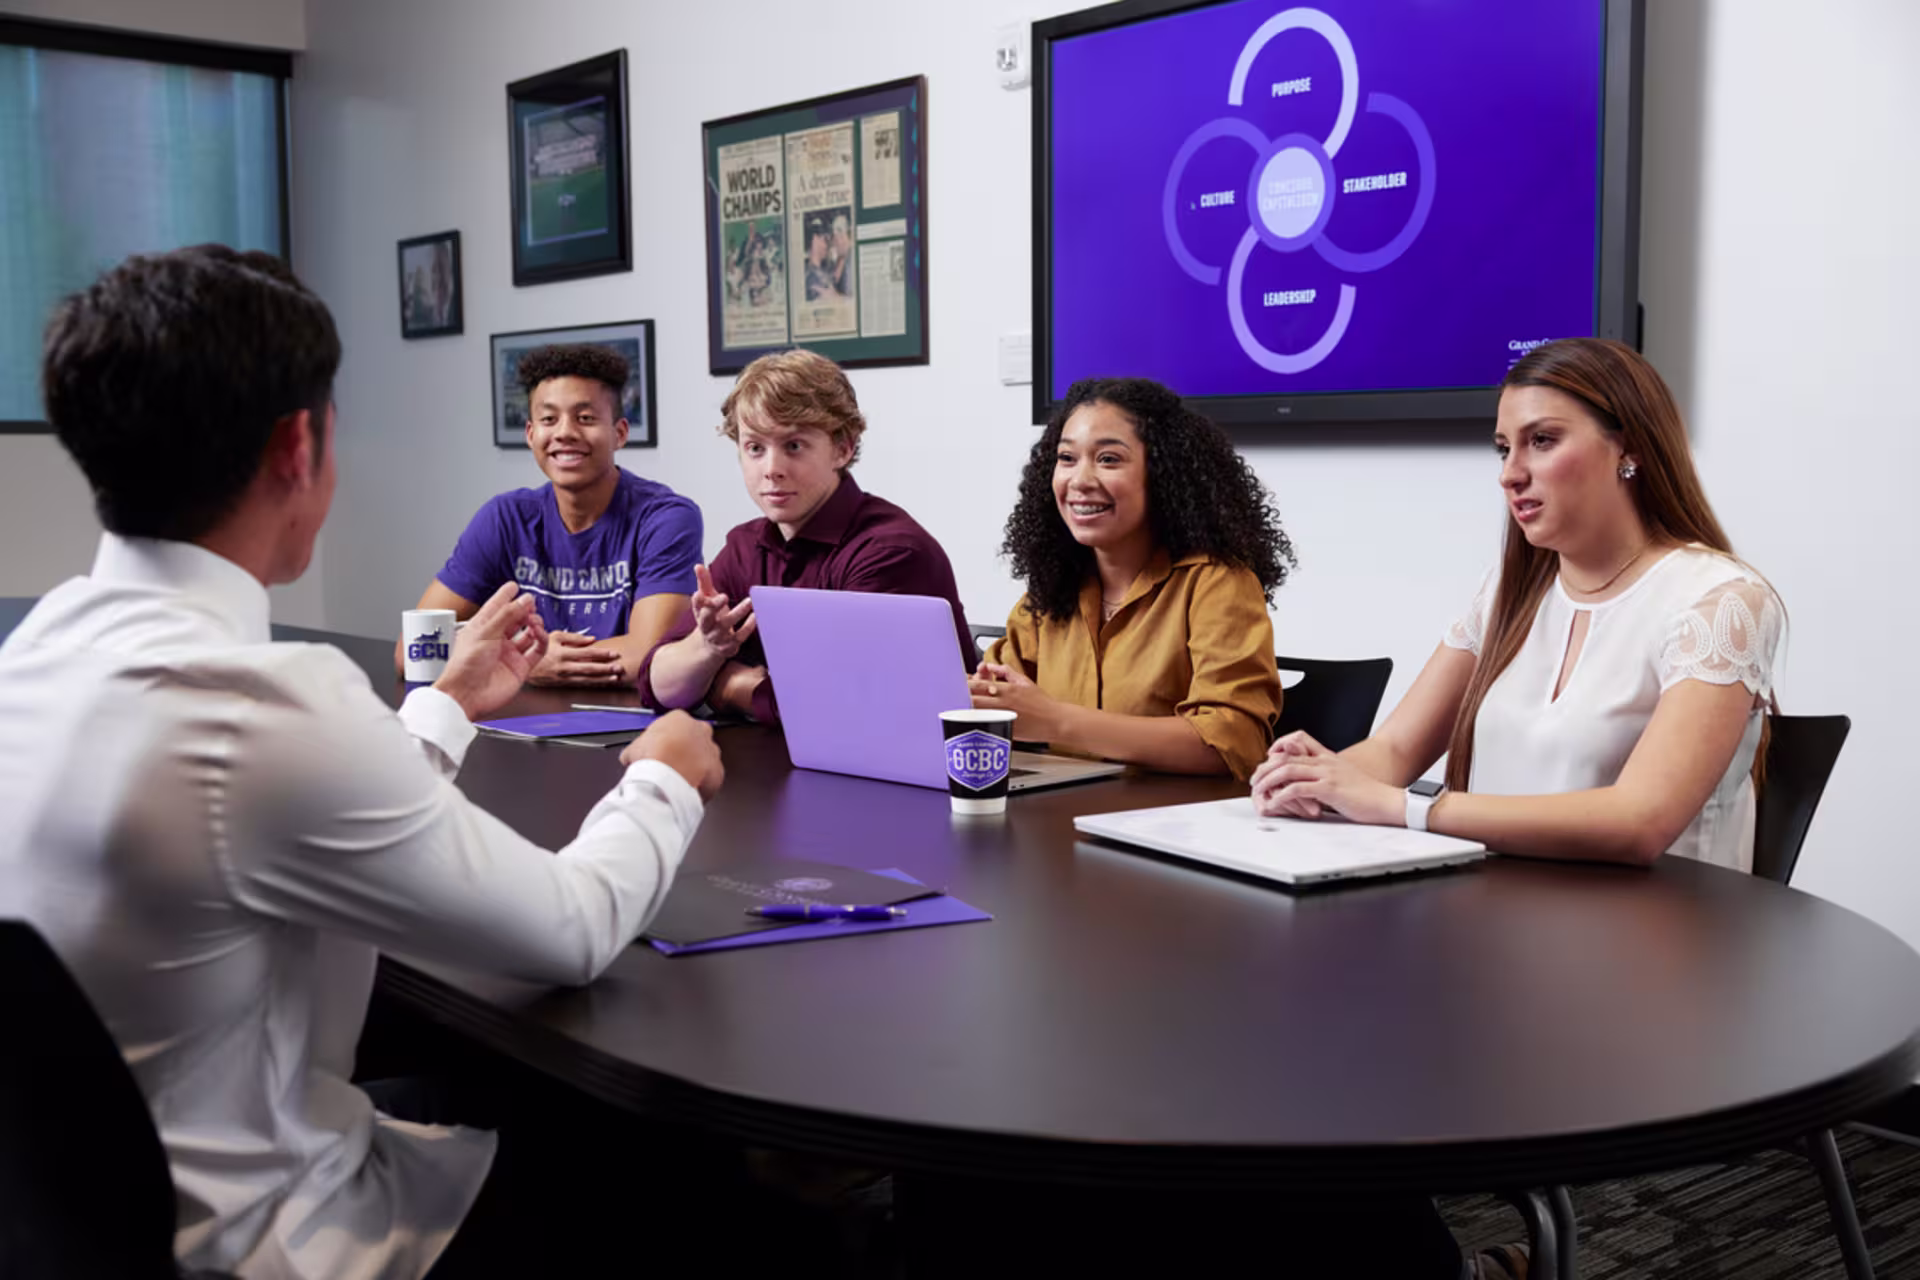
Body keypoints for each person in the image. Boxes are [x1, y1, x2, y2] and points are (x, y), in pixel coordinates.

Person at [0, 245, 727, 1278]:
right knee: (696, 1184)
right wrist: (662, 772)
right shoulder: (268, 702)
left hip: (90, 1207)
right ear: (301, 445)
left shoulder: (35, 652)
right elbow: (570, 928)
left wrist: (443, 702)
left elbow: (287, 804)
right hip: (273, 1233)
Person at [1251, 336, 1785, 873]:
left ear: (1630, 448)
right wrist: (1315, 780)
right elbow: (1393, 752)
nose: (1510, 473)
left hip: (1656, 938)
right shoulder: (1510, 589)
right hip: (1496, 917)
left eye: (1543, 440)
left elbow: (1639, 822)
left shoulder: (1721, 602)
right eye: (1504, 448)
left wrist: (1405, 807)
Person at [971, 377, 1290, 782]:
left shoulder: (1216, 582)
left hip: (1170, 827)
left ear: (1162, 474)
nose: (1079, 480)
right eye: (1067, 458)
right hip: (1056, 817)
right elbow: (998, 699)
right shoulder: (1053, 587)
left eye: (1108, 459)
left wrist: (1056, 721)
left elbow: (1234, 740)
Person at [638, 348, 970, 722]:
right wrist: (709, 648)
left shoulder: (891, 551)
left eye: (794, 446)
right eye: (755, 448)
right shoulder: (744, 547)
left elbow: (841, 709)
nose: (772, 469)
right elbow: (658, 686)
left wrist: (728, 686)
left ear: (842, 448)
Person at [401, 343, 701, 686]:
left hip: (632, 724)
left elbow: (649, 657)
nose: (564, 432)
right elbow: (413, 649)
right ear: (531, 434)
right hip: (522, 722)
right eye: (549, 419)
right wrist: (526, 661)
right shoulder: (504, 519)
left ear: (619, 433)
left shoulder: (665, 519)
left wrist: (514, 660)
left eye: (585, 418)